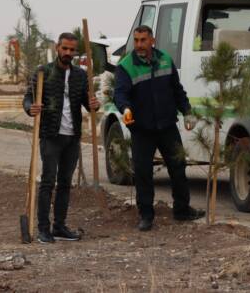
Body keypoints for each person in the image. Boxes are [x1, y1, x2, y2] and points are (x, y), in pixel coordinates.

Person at [114, 25, 205, 231]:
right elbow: (120, 94)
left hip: (166, 126)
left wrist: (187, 111)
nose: (139, 44)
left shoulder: (165, 59)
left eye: (143, 40)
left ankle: (182, 210)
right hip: (142, 129)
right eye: (136, 40)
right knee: (144, 173)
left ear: (152, 41)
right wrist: (125, 108)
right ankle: (146, 215)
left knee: (178, 167)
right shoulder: (126, 66)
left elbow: (177, 90)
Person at [23, 32, 100, 243]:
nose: (67, 53)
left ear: (75, 51)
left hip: (72, 136)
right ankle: (43, 229)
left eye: (71, 50)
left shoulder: (80, 76)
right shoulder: (43, 72)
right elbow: (28, 98)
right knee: (48, 181)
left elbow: (87, 102)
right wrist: (31, 108)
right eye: (64, 48)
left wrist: (94, 104)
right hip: (50, 135)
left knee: (65, 183)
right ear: (57, 47)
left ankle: (59, 226)